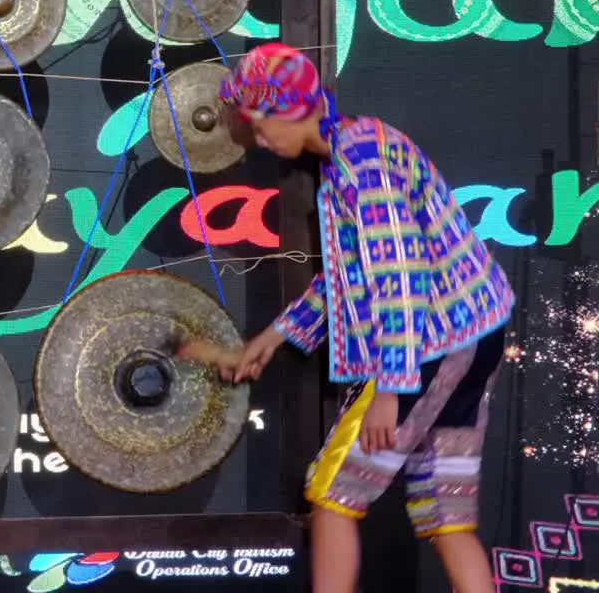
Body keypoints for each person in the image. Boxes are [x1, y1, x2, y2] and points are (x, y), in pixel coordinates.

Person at [200, 43, 513, 593]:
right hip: (467, 332)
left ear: (293, 109)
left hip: (433, 343)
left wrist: (392, 388)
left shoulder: (361, 159)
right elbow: (353, 277)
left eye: (261, 124)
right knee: (447, 515)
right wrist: (274, 336)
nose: (262, 140)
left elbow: (399, 273)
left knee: (332, 497)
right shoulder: (354, 150)